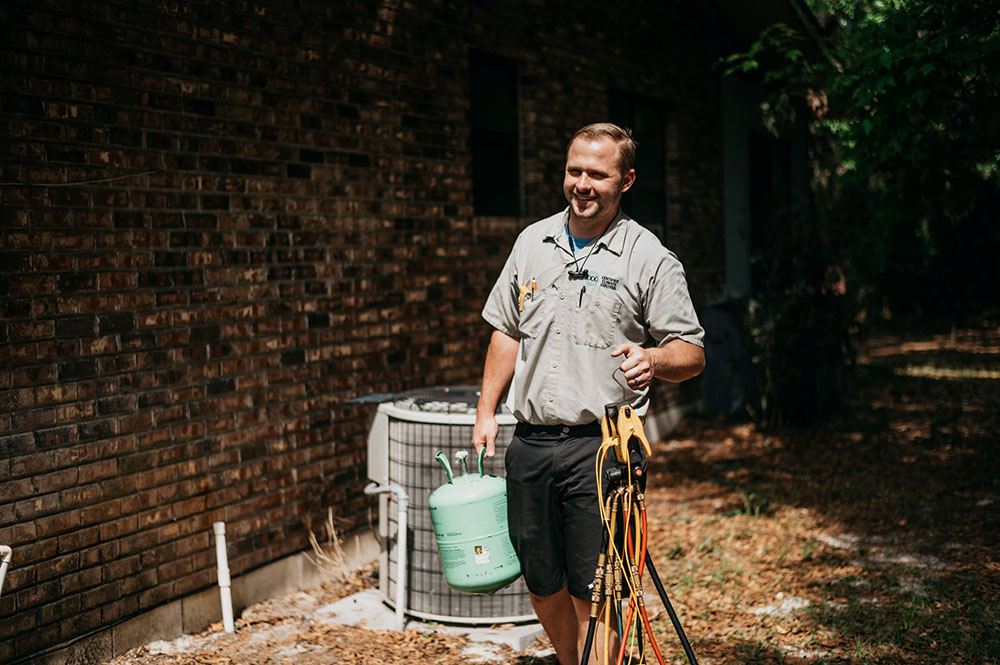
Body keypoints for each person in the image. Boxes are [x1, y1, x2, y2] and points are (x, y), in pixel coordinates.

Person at [472, 122, 706, 665]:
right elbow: (506, 329)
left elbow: (690, 352)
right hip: (529, 443)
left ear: (625, 180)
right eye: (574, 170)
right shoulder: (533, 242)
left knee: (595, 592)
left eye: (597, 174)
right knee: (540, 580)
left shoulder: (649, 258)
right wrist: (486, 409)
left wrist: (653, 358)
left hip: (601, 450)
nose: (582, 183)